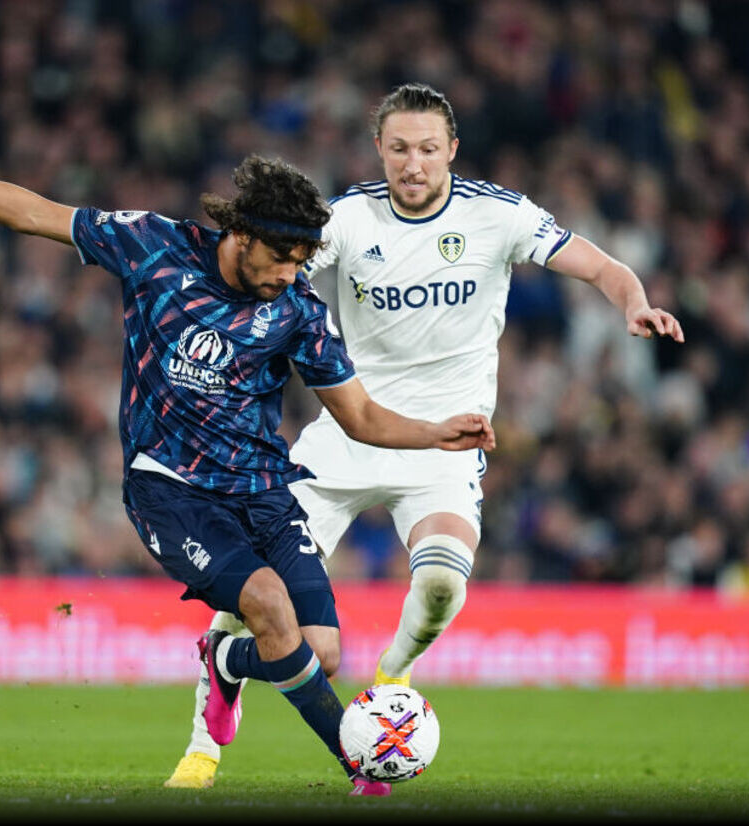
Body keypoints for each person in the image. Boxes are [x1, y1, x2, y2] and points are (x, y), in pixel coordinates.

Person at [0, 136, 496, 795]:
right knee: (269, 605)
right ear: (242, 233)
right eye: (281, 256)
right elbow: (30, 212)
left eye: (302, 260)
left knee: (322, 654)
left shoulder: (299, 312)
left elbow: (360, 417)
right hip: (172, 489)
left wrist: (435, 433)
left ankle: (225, 657)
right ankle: (360, 765)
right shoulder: (153, 248)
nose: (288, 273)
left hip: (265, 493)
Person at [166, 82, 685, 789]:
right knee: (250, 603)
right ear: (379, 148)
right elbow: (270, 276)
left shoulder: (497, 216)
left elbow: (599, 264)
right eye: (401, 148)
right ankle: (206, 734)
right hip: (348, 433)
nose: (414, 164)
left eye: (429, 150)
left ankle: (392, 676)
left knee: (442, 585)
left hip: (443, 442)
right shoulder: (345, 219)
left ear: (452, 152)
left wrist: (637, 303)